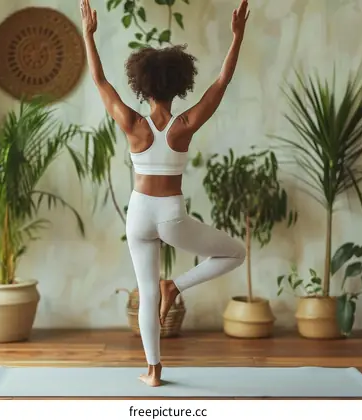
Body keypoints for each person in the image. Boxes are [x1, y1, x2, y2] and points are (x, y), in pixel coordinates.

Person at [80, 0, 250, 387]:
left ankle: (154, 372)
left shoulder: (131, 122)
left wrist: (89, 35)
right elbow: (221, 83)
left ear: (142, 86)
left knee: (145, 291)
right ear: (179, 84)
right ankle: (175, 285)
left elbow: (99, 81)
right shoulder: (184, 125)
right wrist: (236, 38)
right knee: (235, 253)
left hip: (138, 214)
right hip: (171, 214)